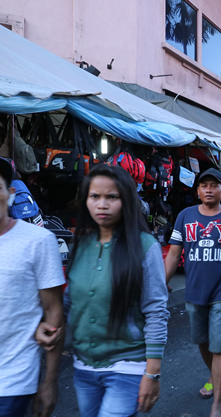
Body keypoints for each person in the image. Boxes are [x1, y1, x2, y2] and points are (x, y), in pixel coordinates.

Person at [60, 164, 169, 416]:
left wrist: (152, 373)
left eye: (112, 197)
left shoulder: (145, 246)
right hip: (84, 369)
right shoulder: (81, 245)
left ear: (126, 201)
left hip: (127, 367)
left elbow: (156, 310)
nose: (102, 204)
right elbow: (69, 302)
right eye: (94, 196)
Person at [0, 152, 65, 417]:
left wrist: (49, 381)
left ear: (10, 193)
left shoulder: (38, 241)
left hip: (10, 382)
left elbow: (54, 313)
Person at [164, 168, 221, 417]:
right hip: (194, 291)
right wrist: (162, 286)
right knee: (202, 341)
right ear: (197, 191)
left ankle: (217, 403)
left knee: (219, 347)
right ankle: (215, 375)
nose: (208, 189)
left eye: (214, 185)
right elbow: (173, 254)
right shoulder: (185, 216)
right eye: (203, 185)